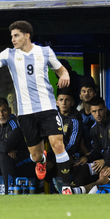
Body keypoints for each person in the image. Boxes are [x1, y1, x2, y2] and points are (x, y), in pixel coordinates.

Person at [0, 21, 72, 194]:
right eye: (11, 36)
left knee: (58, 144)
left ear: (27, 35)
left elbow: (61, 70)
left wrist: (65, 74)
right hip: (26, 113)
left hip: (48, 108)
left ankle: (67, 186)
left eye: (16, 35)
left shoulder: (45, 52)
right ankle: (41, 161)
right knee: (36, 155)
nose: (13, 39)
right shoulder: (8, 54)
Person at [72, 97, 110, 187]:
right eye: (94, 111)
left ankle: (74, 192)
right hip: (102, 162)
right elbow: (96, 150)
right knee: (80, 166)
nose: (97, 114)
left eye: (100, 110)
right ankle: (73, 191)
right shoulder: (94, 128)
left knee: (86, 172)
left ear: (105, 109)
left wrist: (105, 161)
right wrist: (87, 158)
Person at [45, 88, 83, 186]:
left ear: (72, 102)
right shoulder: (51, 117)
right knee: (38, 162)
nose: (64, 103)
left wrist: (54, 160)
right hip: (53, 153)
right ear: (57, 102)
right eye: (61, 100)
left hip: (72, 154)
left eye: (67, 100)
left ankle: (63, 190)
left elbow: (72, 145)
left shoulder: (75, 120)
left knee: (62, 161)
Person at [0, 97, 35, 194]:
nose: (1, 114)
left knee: (3, 155)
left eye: (4, 110)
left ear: (10, 110)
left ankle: (9, 192)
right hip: (9, 161)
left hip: (25, 160)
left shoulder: (15, 123)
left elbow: (6, 146)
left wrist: (5, 149)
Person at [78, 77, 97, 154]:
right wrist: (88, 156)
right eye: (84, 91)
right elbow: (79, 141)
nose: (87, 93)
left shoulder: (100, 113)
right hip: (83, 154)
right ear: (80, 95)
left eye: (90, 91)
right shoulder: (78, 115)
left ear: (95, 94)